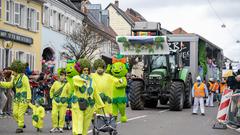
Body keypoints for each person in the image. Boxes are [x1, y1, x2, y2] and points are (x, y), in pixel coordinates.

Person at [65, 58, 104, 135]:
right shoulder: (76, 78)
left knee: (86, 122)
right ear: (81, 70)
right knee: (79, 118)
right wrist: (84, 80)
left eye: (87, 70)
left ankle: (83, 133)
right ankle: (79, 132)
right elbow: (76, 81)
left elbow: (96, 94)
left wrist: (101, 104)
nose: (86, 72)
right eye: (84, 70)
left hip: (89, 105)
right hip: (78, 103)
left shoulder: (92, 81)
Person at [0, 60, 31, 133]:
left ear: (18, 70)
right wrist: (0, 83)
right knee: (14, 113)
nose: (12, 72)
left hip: (24, 98)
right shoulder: (14, 77)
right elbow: (10, 85)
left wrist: (29, 98)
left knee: (20, 113)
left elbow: (28, 88)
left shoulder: (24, 77)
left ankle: (20, 127)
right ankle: (22, 123)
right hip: (17, 98)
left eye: (14, 71)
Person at [49, 69, 69, 133]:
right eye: (61, 75)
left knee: (62, 115)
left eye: (63, 75)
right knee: (54, 114)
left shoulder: (67, 84)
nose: (62, 77)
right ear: (59, 76)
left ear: (65, 76)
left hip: (63, 103)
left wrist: (66, 99)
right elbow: (51, 90)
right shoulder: (55, 83)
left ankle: (60, 127)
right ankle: (54, 126)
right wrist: (52, 97)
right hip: (55, 101)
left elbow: (69, 93)